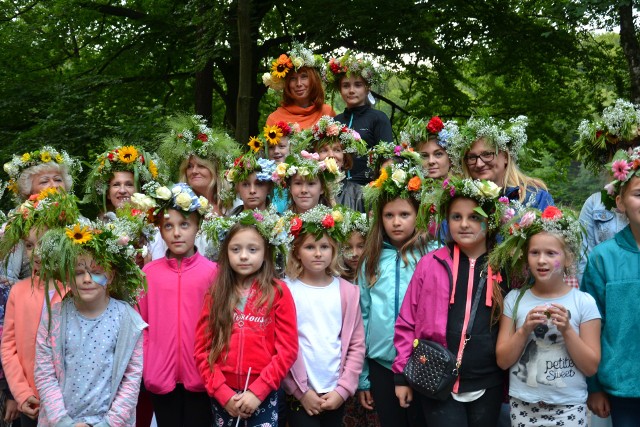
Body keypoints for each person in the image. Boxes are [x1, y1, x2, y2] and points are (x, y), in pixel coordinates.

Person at [393, 177, 507, 427]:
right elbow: (406, 322)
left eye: (474, 217)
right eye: (456, 217)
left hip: (488, 381)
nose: (464, 224)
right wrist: (402, 376)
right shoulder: (431, 263)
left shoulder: (505, 267)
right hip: (436, 378)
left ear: (490, 219)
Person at [33, 211, 149, 426]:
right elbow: (44, 373)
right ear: (68, 275)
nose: (87, 279)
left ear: (111, 275)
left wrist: (107, 423)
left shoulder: (127, 320)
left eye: (96, 271)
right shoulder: (54, 316)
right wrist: (63, 422)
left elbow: (131, 380)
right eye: (79, 272)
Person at [492, 206, 601, 426]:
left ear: (568, 258)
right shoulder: (515, 300)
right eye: (535, 253)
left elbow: (591, 367)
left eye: (551, 253)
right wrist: (524, 330)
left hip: (569, 406)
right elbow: (503, 360)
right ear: (526, 257)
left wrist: (567, 330)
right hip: (523, 405)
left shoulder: (583, 302)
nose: (542, 260)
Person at [195, 209, 298, 426]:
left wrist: (258, 392)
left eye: (252, 249)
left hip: (263, 393)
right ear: (226, 253)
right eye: (236, 249)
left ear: (265, 252)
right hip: (223, 396)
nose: (243, 255)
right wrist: (222, 393)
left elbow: (287, 350)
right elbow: (202, 349)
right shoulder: (216, 293)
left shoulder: (278, 292)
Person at [133, 183, 216, 427]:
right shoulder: (148, 273)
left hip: (202, 375)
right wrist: (150, 363)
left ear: (197, 227)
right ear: (160, 229)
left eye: (184, 225)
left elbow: (219, 323)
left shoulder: (213, 273)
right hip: (160, 376)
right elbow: (141, 324)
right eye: (168, 226)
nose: (176, 233)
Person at [356, 162, 430, 427]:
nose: (396, 222)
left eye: (404, 214)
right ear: (380, 217)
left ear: (418, 215)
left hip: (424, 360)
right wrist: (363, 376)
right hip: (382, 363)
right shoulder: (372, 259)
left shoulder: (432, 254)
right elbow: (362, 316)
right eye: (389, 215)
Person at [0, 189, 79, 427]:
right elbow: (9, 347)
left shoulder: (75, 290)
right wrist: (21, 393)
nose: (37, 253)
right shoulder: (19, 291)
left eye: (45, 243)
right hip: (32, 402)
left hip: (70, 402)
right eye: (30, 245)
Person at [283, 205, 365, 427]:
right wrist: (300, 392)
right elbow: (279, 344)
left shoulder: (347, 292)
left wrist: (343, 389)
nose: (318, 253)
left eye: (324, 247)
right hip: (300, 395)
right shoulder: (285, 291)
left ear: (334, 250)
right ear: (297, 252)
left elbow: (356, 345)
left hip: (335, 393)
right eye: (310, 247)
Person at [581, 147, 640, 426]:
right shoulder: (602, 258)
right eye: (638, 194)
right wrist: (594, 386)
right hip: (623, 386)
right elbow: (591, 325)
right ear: (620, 202)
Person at [574, 99, 640, 282]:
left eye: (635, 145)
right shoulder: (595, 203)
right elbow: (582, 258)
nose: (629, 152)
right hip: (605, 289)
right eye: (621, 147)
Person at [2, 146, 81, 284]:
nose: (54, 185)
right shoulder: (18, 222)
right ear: (28, 191)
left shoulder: (78, 219)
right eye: (44, 181)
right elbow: (6, 278)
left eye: (57, 179)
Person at [449, 116, 554, 210]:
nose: (479, 164)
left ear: (505, 157)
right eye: (472, 157)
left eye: (487, 154)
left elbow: (551, 231)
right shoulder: (459, 201)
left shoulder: (536, 198)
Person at [327, 51, 393, 185]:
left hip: (369, 190)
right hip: (337, 191)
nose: (351, 90)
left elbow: (387, 161)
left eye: (358, 85)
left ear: (367, 88)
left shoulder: (378, 118)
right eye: (346, 85)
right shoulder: (335, 121)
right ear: (340, 89)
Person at [83, 142, 167, 216]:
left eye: (129, 184)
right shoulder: (99, 227)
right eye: (116, 185)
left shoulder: (154, 223)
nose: (122, 191)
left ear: (141, 190)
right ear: (108, 193)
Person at [264, 42, 335, 129]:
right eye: (293, 79)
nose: (299, 84)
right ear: (287, 84)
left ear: (314, 80)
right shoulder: (274, 119)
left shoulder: (327, 113)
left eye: (304, 77)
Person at [306, 116, 367, 212]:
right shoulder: (306, 192)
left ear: (344, 158)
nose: (331, 155)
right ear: (314, 156)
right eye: (323, 150)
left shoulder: (359, 194)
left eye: (337, 150)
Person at [271, 152, 341, 214]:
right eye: (298, 183)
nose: (304, 190)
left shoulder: (335, 224)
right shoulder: (281, 226)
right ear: (290, 187)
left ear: (322, 188)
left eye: (311, 184)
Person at [224, 151, 277, 216]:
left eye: (259, 184)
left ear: (269, 187)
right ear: (237, 188)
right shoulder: (228, 224)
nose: (252, 191)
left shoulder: (281, 224)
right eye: (245, 184)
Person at [339, 208, 369, 283]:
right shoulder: (336, 281)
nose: (354, 254)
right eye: (348, 247)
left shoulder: (378, 277)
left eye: (361, 246)